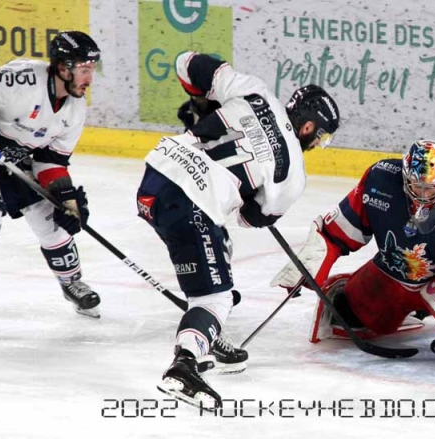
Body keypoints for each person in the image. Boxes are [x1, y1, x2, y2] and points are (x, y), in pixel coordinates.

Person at [138, 51, 340, 408]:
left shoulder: (256, 91)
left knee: (217, 243)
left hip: (154, 179)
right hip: (189, 207)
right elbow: (250, 218)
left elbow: (187, 62)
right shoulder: (292, 176)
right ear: (309, 127)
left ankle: (204, 328)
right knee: (215, 296)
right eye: (320, 137)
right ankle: (185, 364)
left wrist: (201, 102)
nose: (315, 144)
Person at [271, 140, 435, 374]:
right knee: (344, 317)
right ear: (405, 176)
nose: (422, 195)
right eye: (416, 186)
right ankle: (411, 310)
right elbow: (338, 232)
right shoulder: (380, 180)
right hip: (391, 275)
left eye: (431, 188)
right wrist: (309, 265)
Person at [0, 31, 103, 338]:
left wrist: (65, 197)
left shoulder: (75, 110)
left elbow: (51, 160)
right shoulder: (23, 82)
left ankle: (71, 283)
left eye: (92, 68)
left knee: (51, 216)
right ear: (63, 68)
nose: (89, 76)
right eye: (83, 68)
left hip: (12, 154)